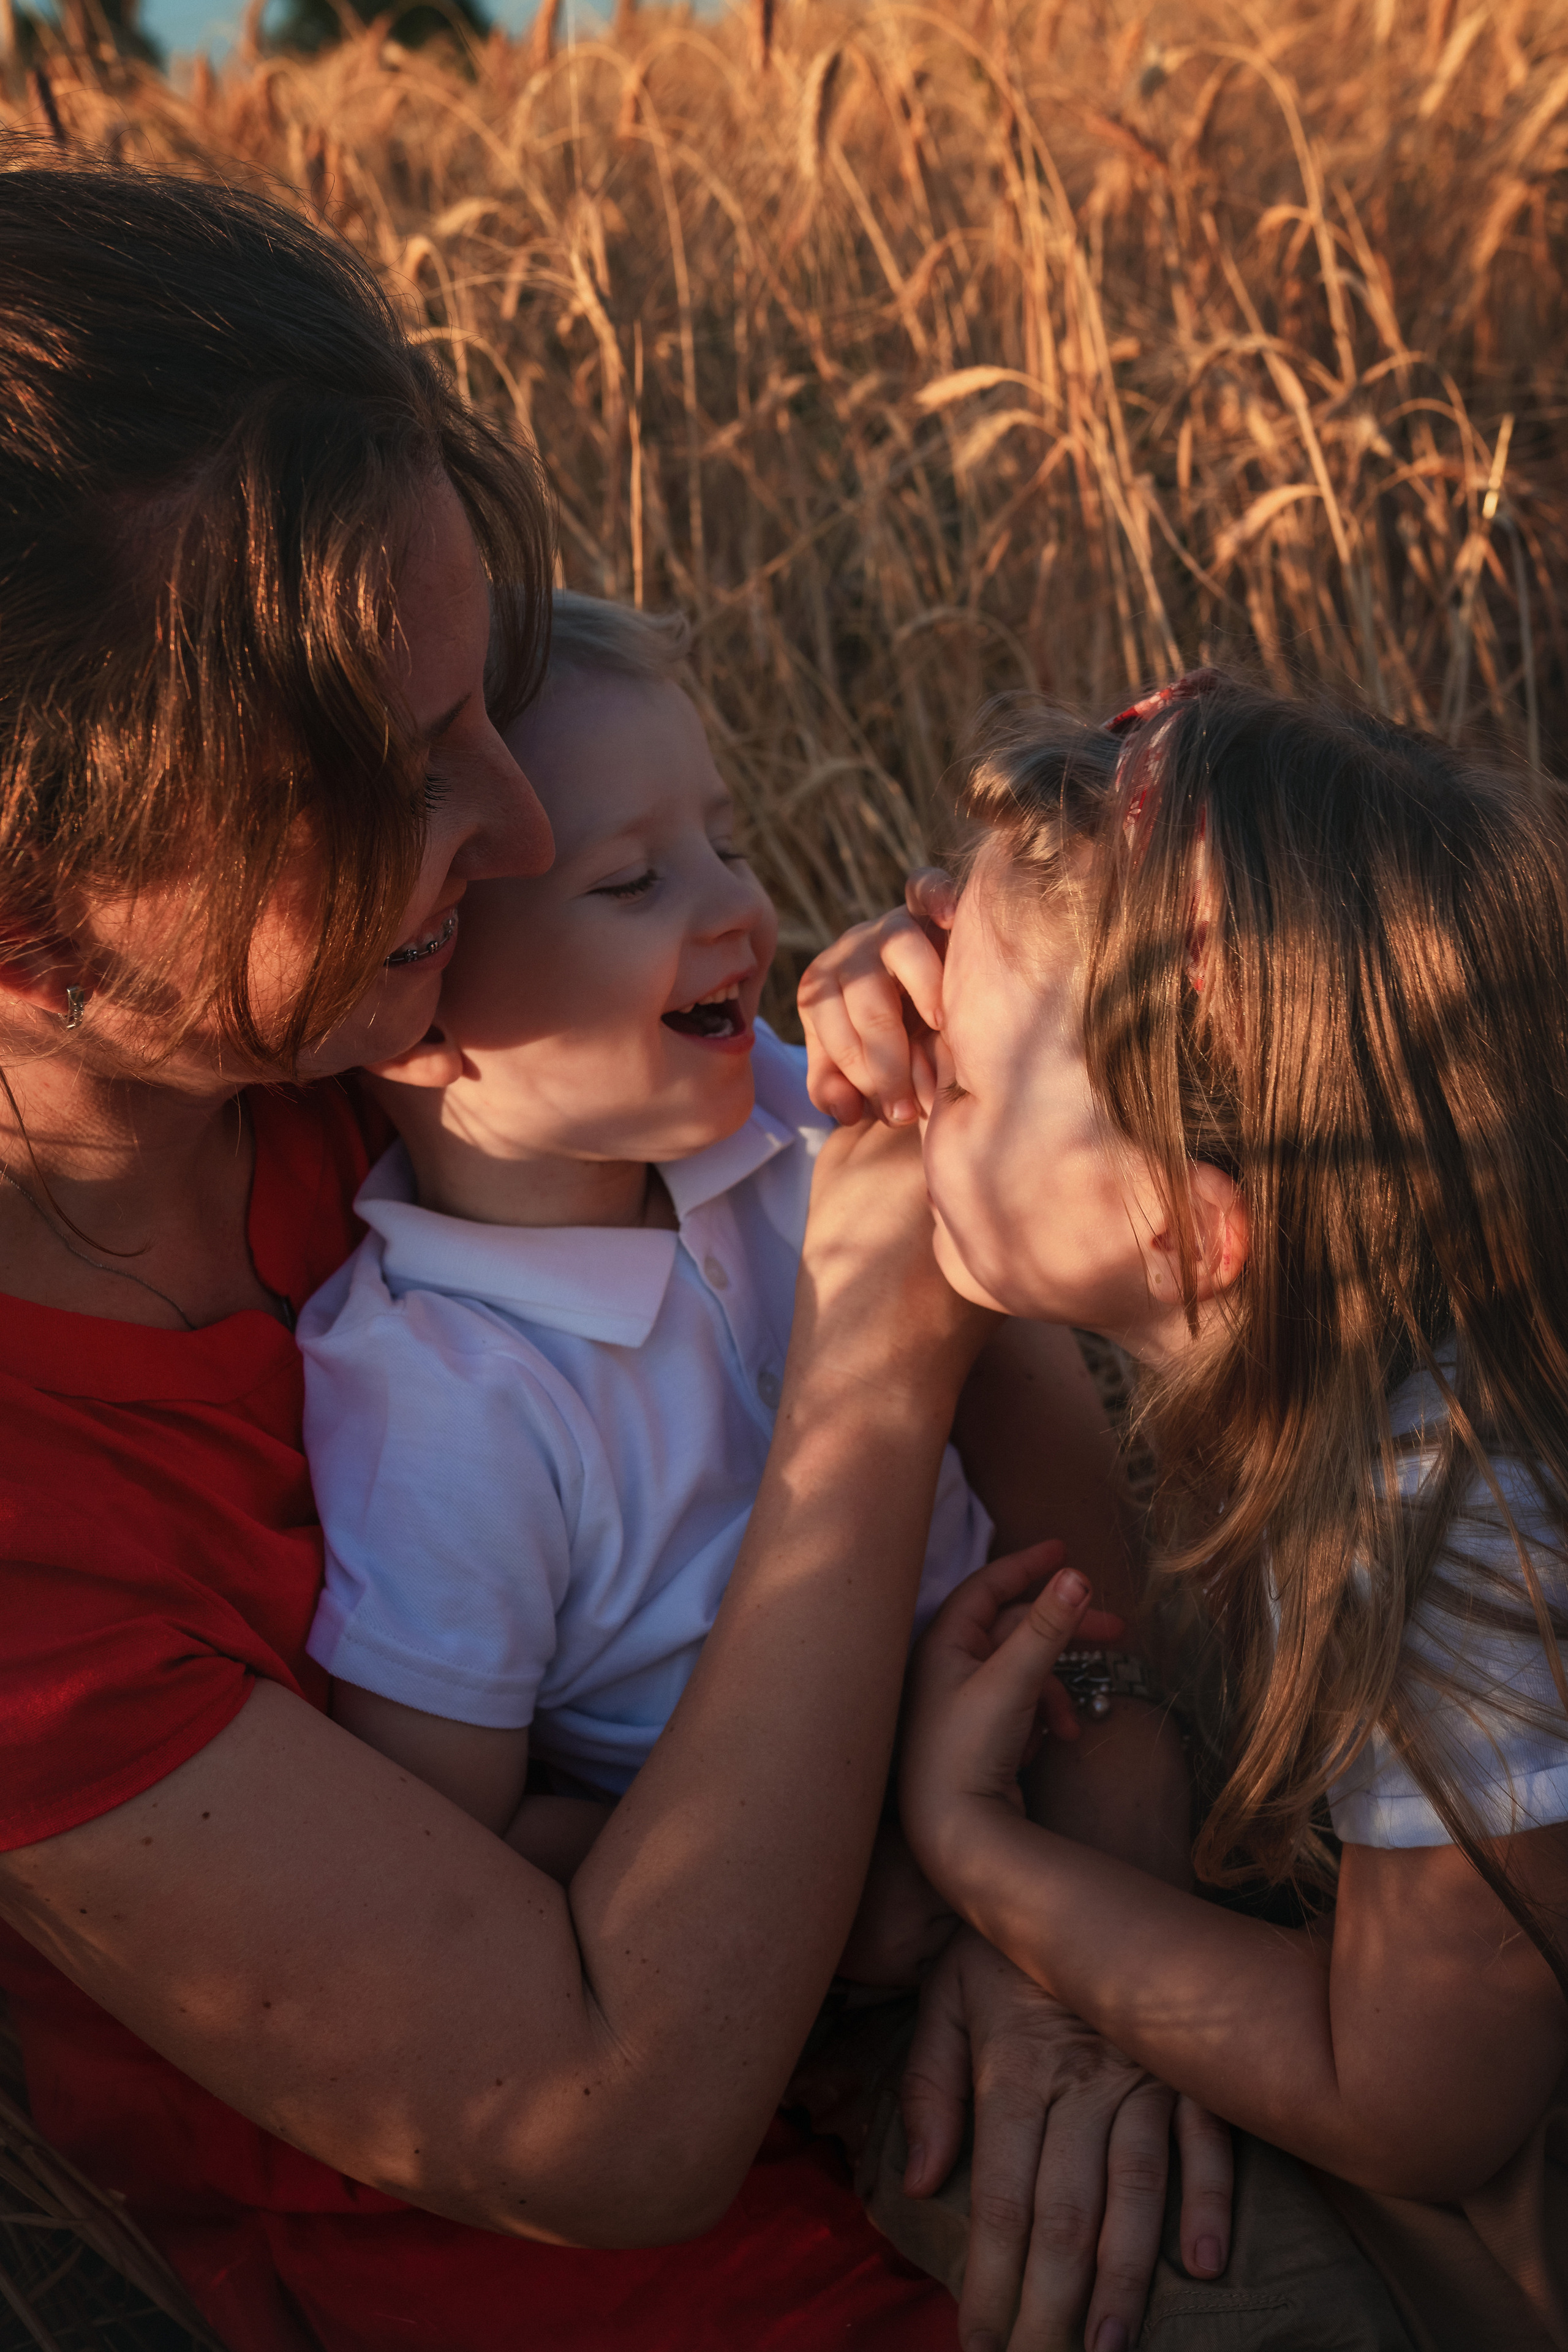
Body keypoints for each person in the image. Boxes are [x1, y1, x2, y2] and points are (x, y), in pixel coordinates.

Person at [0, 160, 1229, 2352]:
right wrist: (876, 1344)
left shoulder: (390, 1023)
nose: (531, 831)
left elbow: (978, 1352)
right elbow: (597, 2119)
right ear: (37, 938)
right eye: (399, 775)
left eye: (486, 700)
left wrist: (1092, 1879)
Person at [804, 674, 1568, 2352]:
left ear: (1186, 1228)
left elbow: (1420, 2107)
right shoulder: (1347, 1335)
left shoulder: (1450, 1544)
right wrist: (934, 969)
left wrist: (977, 1852)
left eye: (970, 1073)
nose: (916, 1080)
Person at [298, 590, 989, 1969]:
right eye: (634, 881)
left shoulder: (783, 1114)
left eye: (722, 842)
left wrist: (955, 1013)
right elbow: (460, 1826)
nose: (741, 902)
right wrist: (836, 1877)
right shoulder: (444, 1402)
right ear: (412, 1002)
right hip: (814, 1911)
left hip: (1032, 1715)